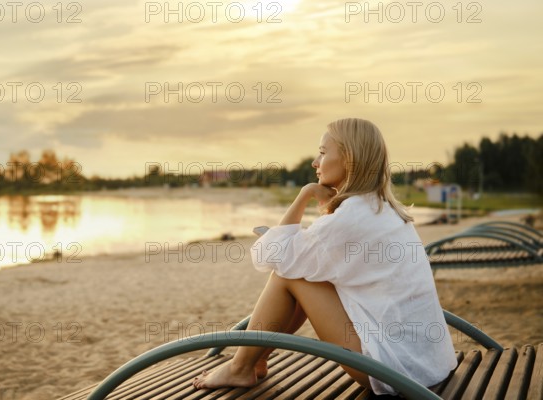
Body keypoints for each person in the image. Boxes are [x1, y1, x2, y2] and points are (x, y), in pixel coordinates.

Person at [192, 118, 457, 396]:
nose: (315, 162)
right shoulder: (382, 207)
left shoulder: (353, 215)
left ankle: (241, 368)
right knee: (305, 269)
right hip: (427, 363)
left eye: (322, 152)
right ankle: (255, 360)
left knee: (286, 275)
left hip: (395, 370)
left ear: (349, 158)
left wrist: (304, 195)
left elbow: (268, 256)